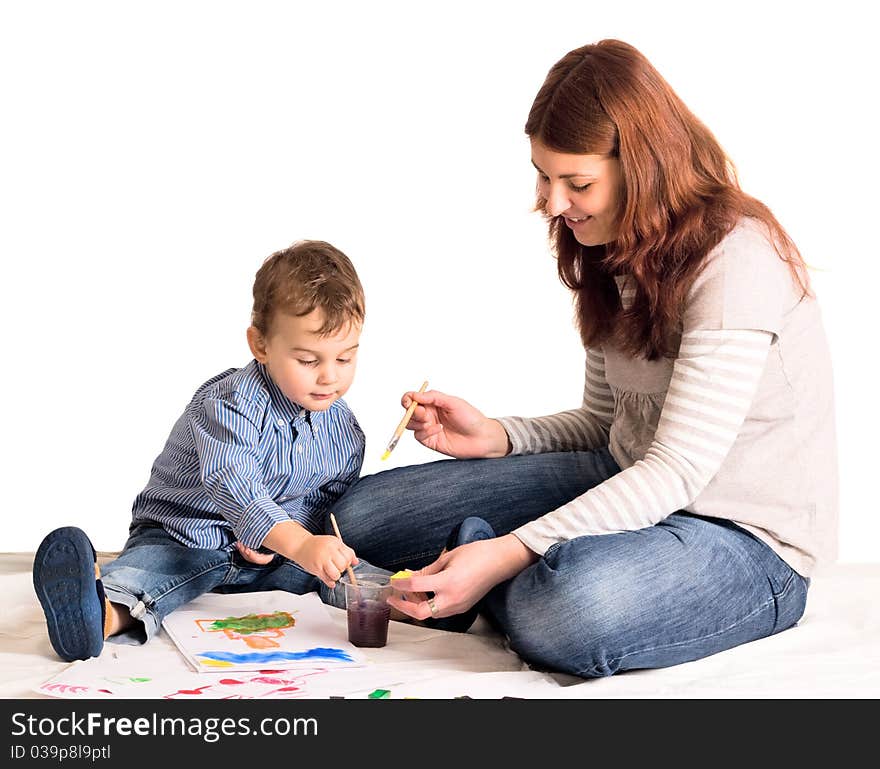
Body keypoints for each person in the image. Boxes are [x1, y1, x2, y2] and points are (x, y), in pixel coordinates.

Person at [331, 39, 838, 678]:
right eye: (544, 175)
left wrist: (510, 551)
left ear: (644, 168)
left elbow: (678, 469)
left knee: (570, 604)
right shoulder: (610, 247)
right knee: (359, 517)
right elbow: (606, 424)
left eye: (578, 183)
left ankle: (496, 574)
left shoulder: (736, 260)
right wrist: (496, 436)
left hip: (743, 539)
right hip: (623, 478)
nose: (552, 203)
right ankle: (501, 569)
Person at [32, 240, 376, 662]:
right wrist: (297, 542)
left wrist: (292, 544)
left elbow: (321, 504)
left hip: (270, 559)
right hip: (188, 534)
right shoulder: (230, 404)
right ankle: (98, 614)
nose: (329, 377)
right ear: (261, 345)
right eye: (308, 360)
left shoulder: (345, 431)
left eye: (345, 358)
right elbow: (235, 487)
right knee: (157, 575)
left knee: (344, 576)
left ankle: (423, 603)